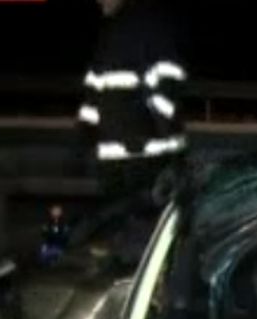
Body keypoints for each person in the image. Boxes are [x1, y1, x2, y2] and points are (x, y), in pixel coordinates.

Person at [73, 0, 188, 260]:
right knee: (140, 244)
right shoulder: (118, 30)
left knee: (139, 243)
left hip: (142, 160)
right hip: (130, 160)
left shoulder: (141, 27)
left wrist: (83, 143)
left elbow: (166, 84)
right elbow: (96, 93)